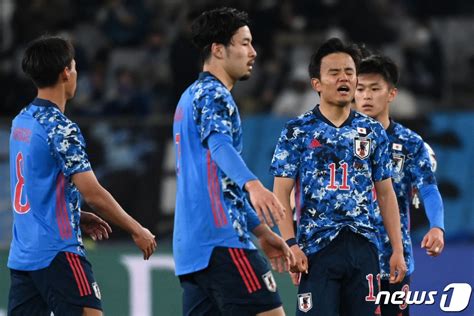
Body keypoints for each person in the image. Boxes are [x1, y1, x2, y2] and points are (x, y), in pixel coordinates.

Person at [8, 36, 157, 316]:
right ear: (66, 72)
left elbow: (35, 183)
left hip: (23, 256)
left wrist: (74, 212)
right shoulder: (61, 128)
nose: (76, 74)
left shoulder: (21, 121)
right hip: (58, 252)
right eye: (74, 67)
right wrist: (137, 229)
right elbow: (93, 193)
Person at [270, 38, 407, 316]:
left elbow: (385, 193)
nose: (344, 77)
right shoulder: (297, 131)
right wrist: (291, 244)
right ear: (316, 84)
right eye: (334, 72)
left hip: (364, 248)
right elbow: (280, 193)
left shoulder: (373, 132)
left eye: (349, 71)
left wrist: (397, 249)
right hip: (317, 250)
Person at [173, 7, 295, 316]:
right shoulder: (215, 94)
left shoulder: (190, 96)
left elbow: (216, 181)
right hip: (223, 240)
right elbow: (220, 146)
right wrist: (254, 185)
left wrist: (262, 231)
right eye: (244, 43)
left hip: (193, 249)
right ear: (218, 49)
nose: (253, 52)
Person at [354, 54, 445, 316]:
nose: (366, 96)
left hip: (394, 259)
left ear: (391, 93)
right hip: (346, 259)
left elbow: (428, 188)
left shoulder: (410, 143)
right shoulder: (338, 139)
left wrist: (436, 227)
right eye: (360, 89)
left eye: (374, 89)